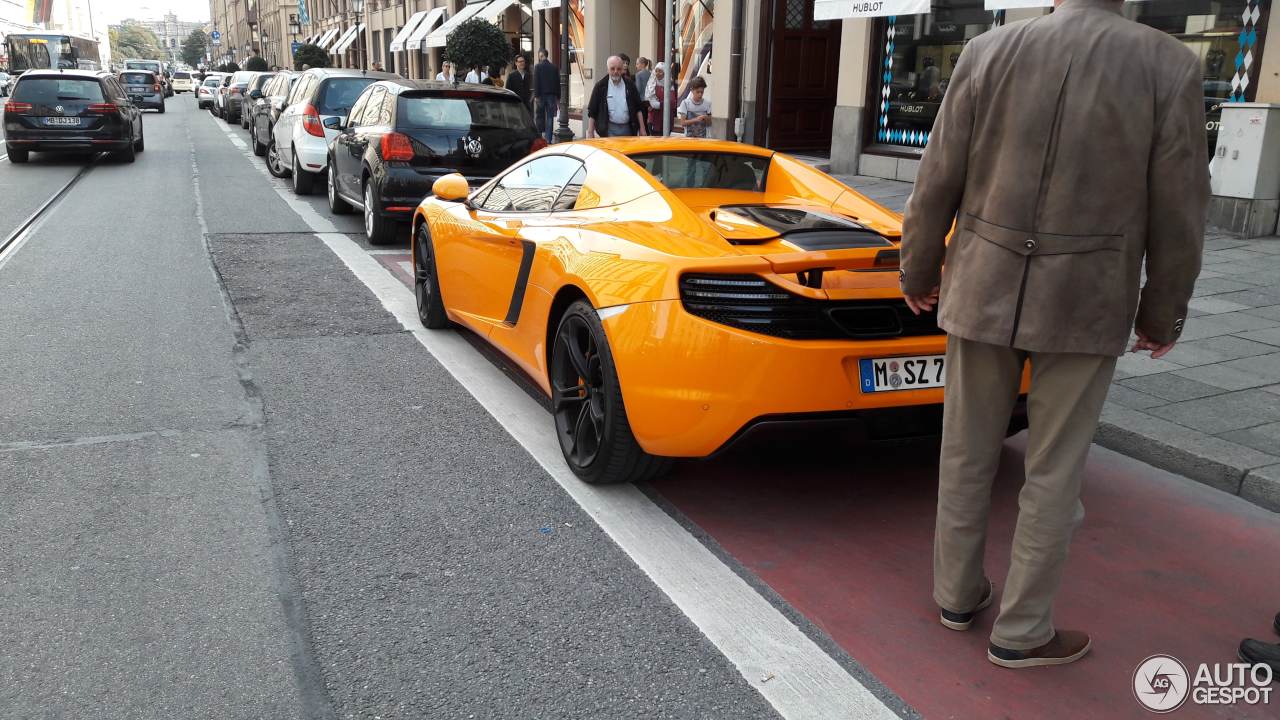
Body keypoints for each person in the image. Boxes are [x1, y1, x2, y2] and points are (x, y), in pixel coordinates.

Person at [899, 0, 1208, 669]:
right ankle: (1023, 630)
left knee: (965, 451)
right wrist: (1163, 312)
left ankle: (955, 596)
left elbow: (937, 177)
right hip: (1086, 294)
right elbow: (1179, 205)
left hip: (983, 282)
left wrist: (918, 268)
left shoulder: (989, 50)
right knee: (1054, 470)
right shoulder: (1168, 63)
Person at [586, 55, 646, 138]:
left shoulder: (630, 84)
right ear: (608, 69)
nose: (615, 71)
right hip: (608, 130)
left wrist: (642, 129)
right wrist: (590, 132)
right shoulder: (600, 86)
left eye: (618, 69)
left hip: (628, 129)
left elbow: (638, 108)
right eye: (612, 68)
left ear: (622, 70)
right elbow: (592, 111)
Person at [532, 49, 560, 144]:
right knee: (550, 117)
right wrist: (558, 97)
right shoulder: (554, 67)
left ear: (541, 55)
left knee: (539, 116)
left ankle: (539, 137)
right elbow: (557, 83)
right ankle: (548, 139)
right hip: (552, 95)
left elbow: (536, 82)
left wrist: (536, 95)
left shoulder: (538, 67)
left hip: (541, 95)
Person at [644, 62, 673, 135]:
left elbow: (672, 102)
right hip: (653, 119)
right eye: (656, 71)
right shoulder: (651, 84)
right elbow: (648, 100)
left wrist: (658, 105)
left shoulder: (670, 85)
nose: (657, 73)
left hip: (666, 119)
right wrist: (649, 105)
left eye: (660, 71)